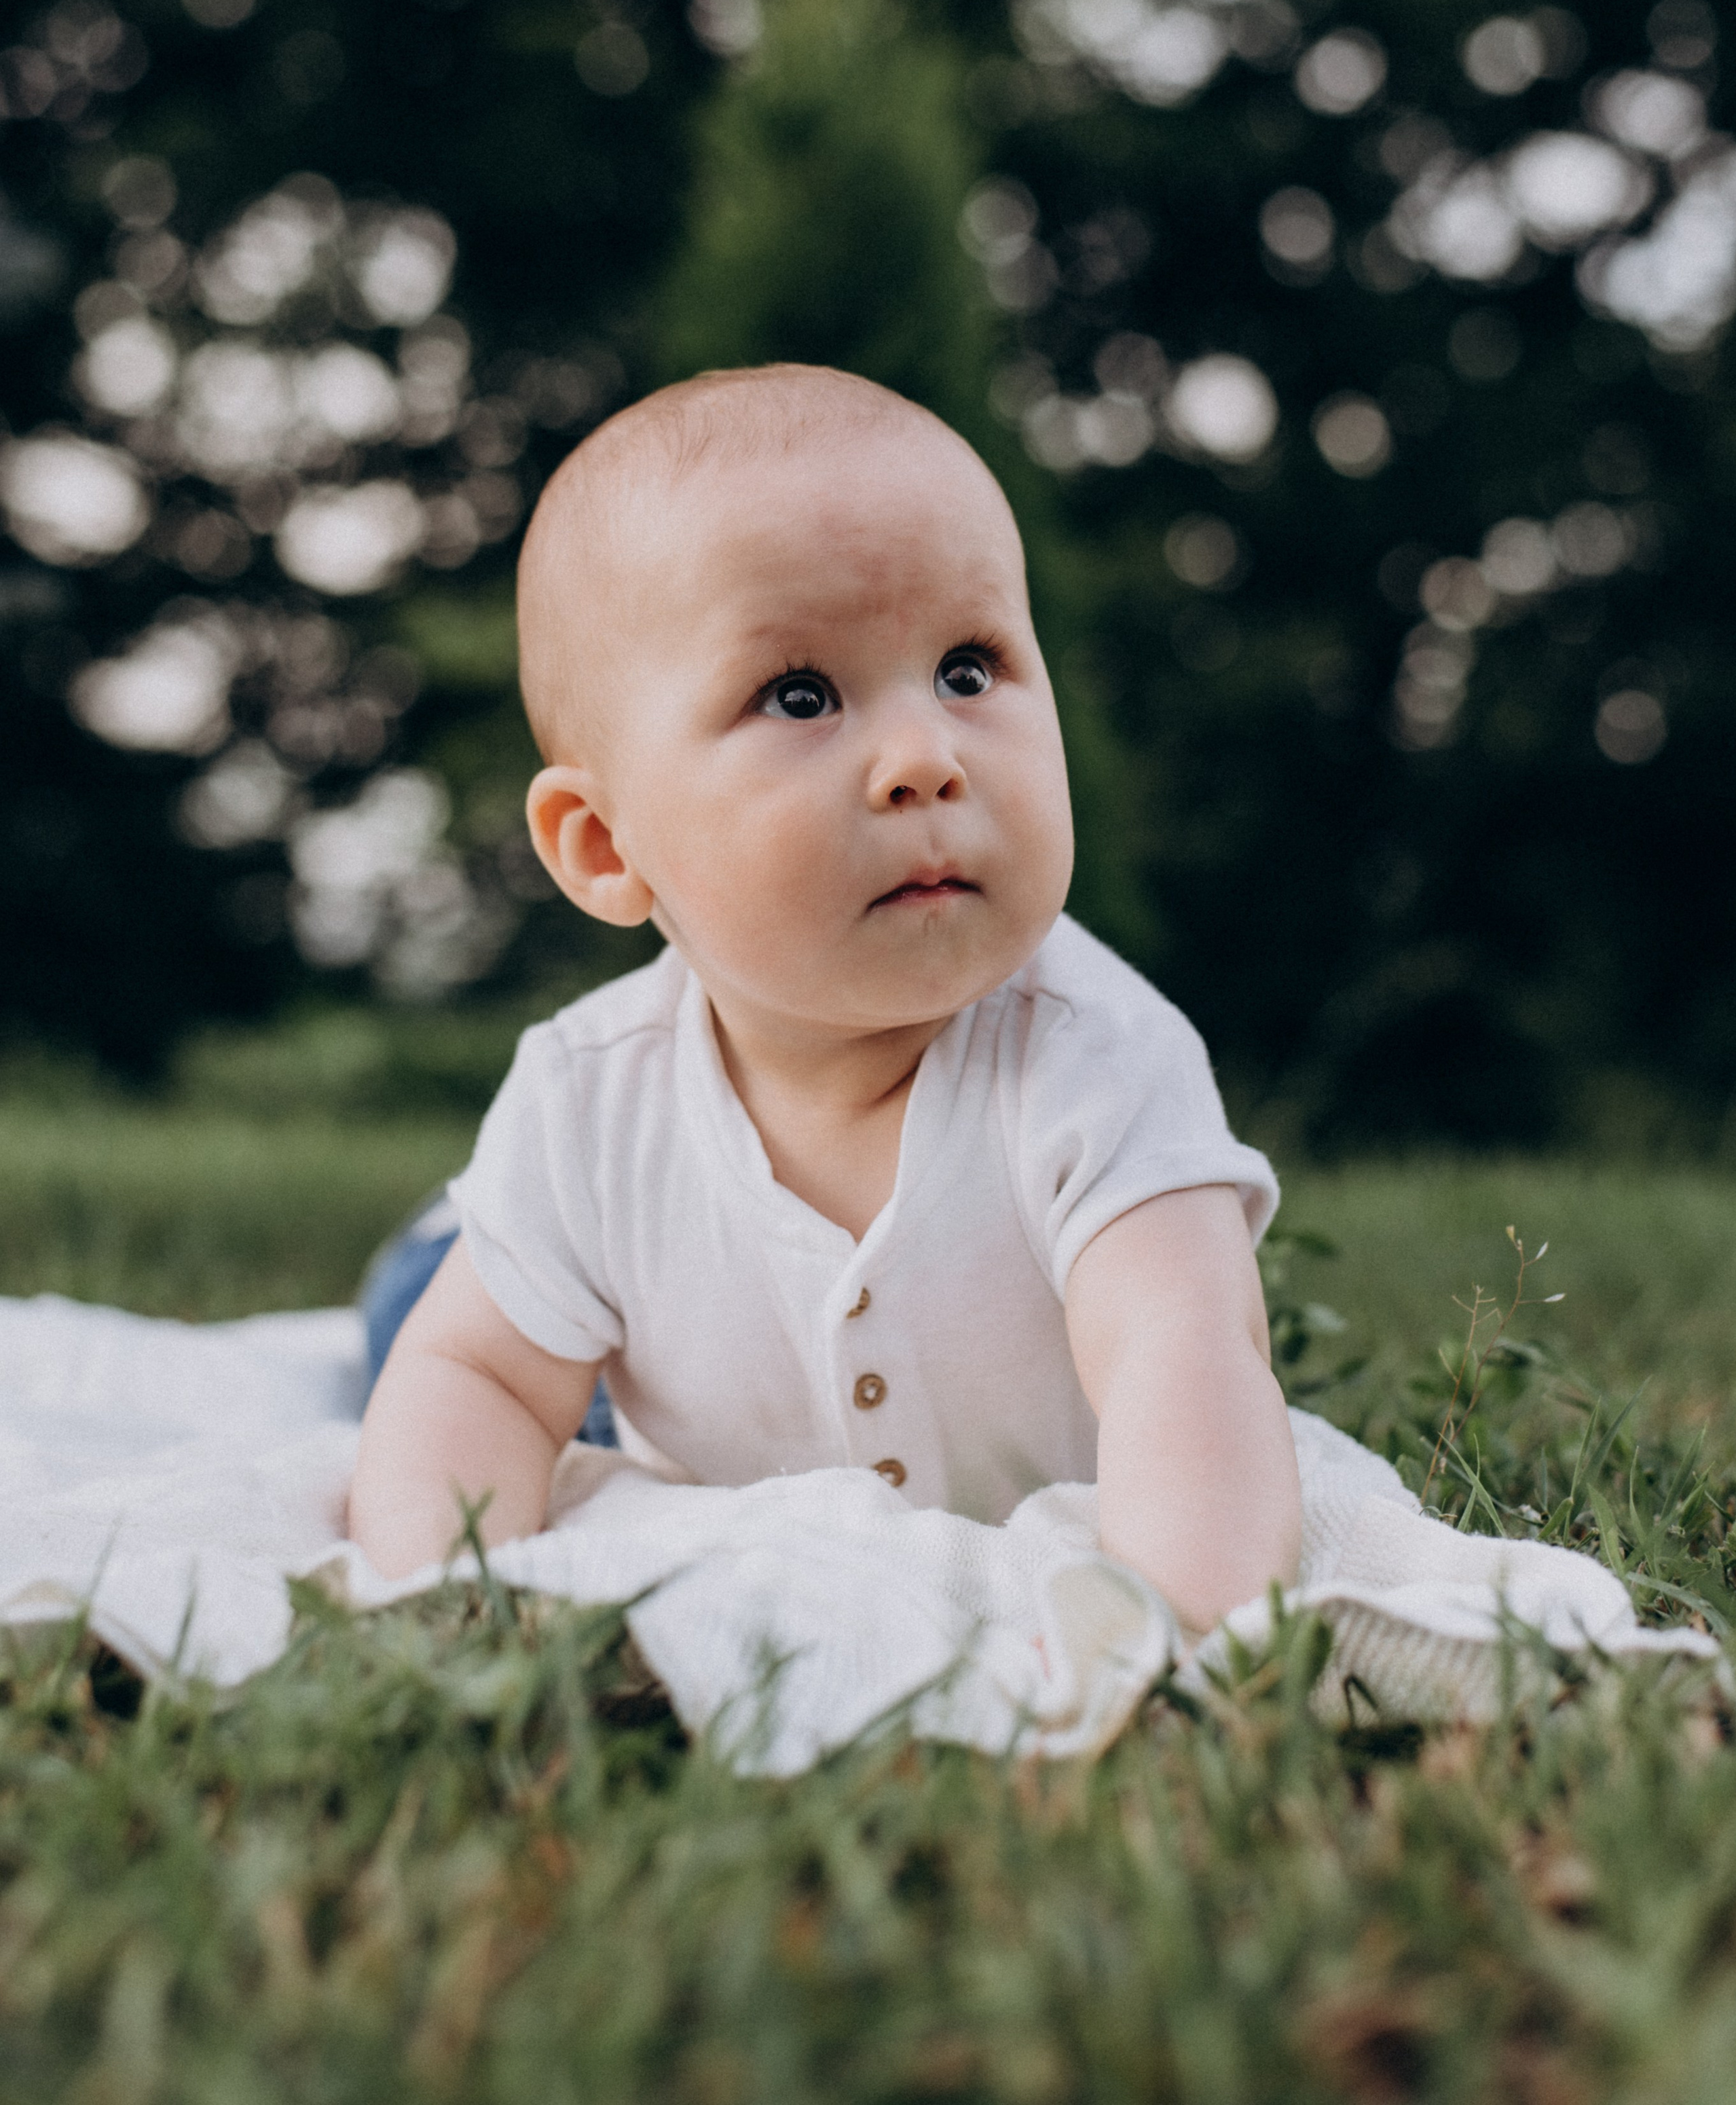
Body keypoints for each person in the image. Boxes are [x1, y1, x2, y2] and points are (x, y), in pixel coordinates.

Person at [348, 364, 1301, 1637]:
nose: (925, 757)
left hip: (683, 1329)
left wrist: (1186, 1633)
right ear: (603, 846)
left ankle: (495, 1254)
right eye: (802, 696)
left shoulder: (1097, 1061)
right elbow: (476, 1382)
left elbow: (1186, 1360)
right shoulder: (591, 1100)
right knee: (429, 1330)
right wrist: (436, 1594)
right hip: (627, 1344)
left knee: (522, 1318)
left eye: (970, 668)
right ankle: (460, 1237)